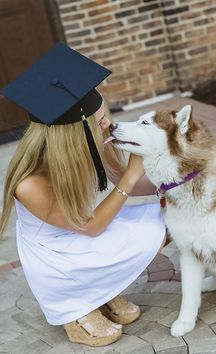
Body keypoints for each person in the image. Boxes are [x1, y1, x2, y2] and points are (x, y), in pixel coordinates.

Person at [0, 43, 166, 347]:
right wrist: (130, 175)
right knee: (142, 233)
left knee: (167, 217)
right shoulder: (29, 183)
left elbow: (127, 181)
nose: (108, 125)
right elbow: (91, 227)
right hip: (57, 258)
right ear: (76, 133)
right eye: (99, 122)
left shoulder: (91, 145)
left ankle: (99, 288)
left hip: (83, 231)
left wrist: (173, 184)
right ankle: (76, 304)